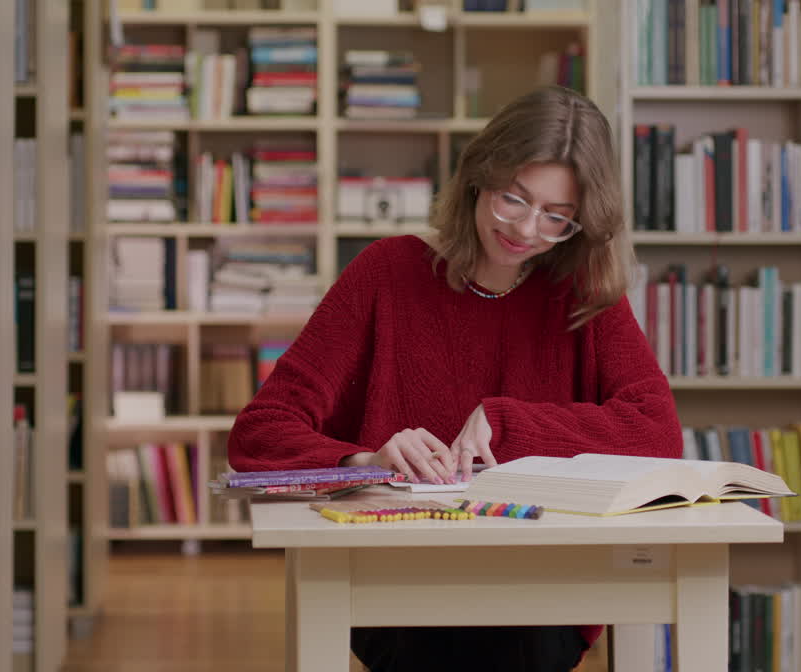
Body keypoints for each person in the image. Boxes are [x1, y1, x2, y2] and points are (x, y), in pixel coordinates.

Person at [227, 85, 682, 672]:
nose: (527, 229)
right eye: (513, 199)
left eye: (557, 216)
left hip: (541, 584)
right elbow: (260, 432)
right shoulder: (386, 272)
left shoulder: (584, 293)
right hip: (396, 580)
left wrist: (509, 423)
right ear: (478, 176)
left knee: (517, 637)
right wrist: (363, 463)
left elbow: (658, 431)